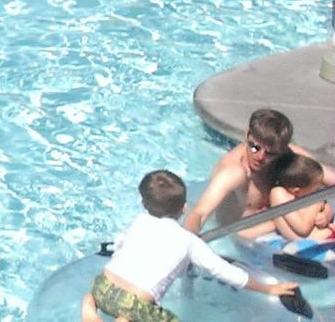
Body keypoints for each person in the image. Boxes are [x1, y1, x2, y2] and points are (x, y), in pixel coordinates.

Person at [80, 169, 296, 322]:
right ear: (184, 208)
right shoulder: (187, 241)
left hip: (101, 287)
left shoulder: (138, 222)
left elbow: (119, 247)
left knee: (120, 305)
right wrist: (269, 288)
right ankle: (126, 319)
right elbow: (225, 271)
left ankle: (90, 307)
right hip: (136, 303)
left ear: (143, 203)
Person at [184, 108, 335, 234]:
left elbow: (328, 179)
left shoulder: (287, 154)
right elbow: (199, 214)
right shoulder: (235, 172)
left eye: (270, 153)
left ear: (282, 148)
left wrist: (324, 211)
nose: (260, 157)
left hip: (279, 225)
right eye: (254, 147)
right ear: (247, 134)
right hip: (241, 238)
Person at [257, 153, 334, 244]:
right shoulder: (278, 194)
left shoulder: (305, 193)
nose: (318, 191)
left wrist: (326, 215)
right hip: (312, 245)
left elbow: (327, 206)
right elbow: (303, 229)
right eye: (316, 188)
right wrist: (317, 202)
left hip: (328, 236)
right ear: (296, 191)